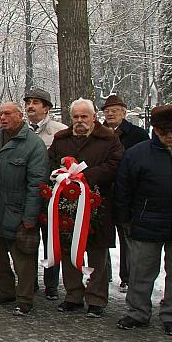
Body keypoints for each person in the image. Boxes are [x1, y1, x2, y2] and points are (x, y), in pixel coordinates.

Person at [115, 105, 172, 336]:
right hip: (146, 224)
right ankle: (137, 312)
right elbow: (123, 189)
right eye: (164, 132)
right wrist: (125, 219)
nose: (171, 136)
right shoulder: (137, 154)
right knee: (141, 272)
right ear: (155, 130)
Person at [48, 98, 123, 318]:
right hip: (67, 205)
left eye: (84, 116)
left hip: (98, 204)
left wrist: (83, 177)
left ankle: (96, 298)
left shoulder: (109, 139)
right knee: (69, 250)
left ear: (94, 117)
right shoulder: (61, 139)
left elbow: (115, 165)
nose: (80, 121)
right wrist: (62, 176)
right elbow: (50, 162)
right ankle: (73, 295)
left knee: (97, 254)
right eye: (76, 117)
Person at [0, 102, 48, 316]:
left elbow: (37, 184)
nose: (3, 117)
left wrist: (30, 216)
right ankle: (5, 291)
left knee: (23, 259)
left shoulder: (33, 144)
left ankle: (25, 298)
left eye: (7, 113)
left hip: (18, 209)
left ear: (20, 116)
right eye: (0, 114)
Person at [100, 94, 149, 292]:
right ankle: (103, 274)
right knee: (101, 237)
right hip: (103, 191)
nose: (110, 114)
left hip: (127, 193)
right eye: (107, 111)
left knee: (127, 236)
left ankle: (127, 276)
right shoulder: (98, 133)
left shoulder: (137, 135)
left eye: (115, 110)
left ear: (124, 112)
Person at [24, 88, 67, 300]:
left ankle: (51, 284)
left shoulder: (60, 132)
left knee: (52, 241)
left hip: (52, 195)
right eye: (28, 103)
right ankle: (29, 282)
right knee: (28, 242)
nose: (30, 106)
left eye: (35, 103)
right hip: (28, 195)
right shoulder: (21, 131)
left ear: (46, 108)